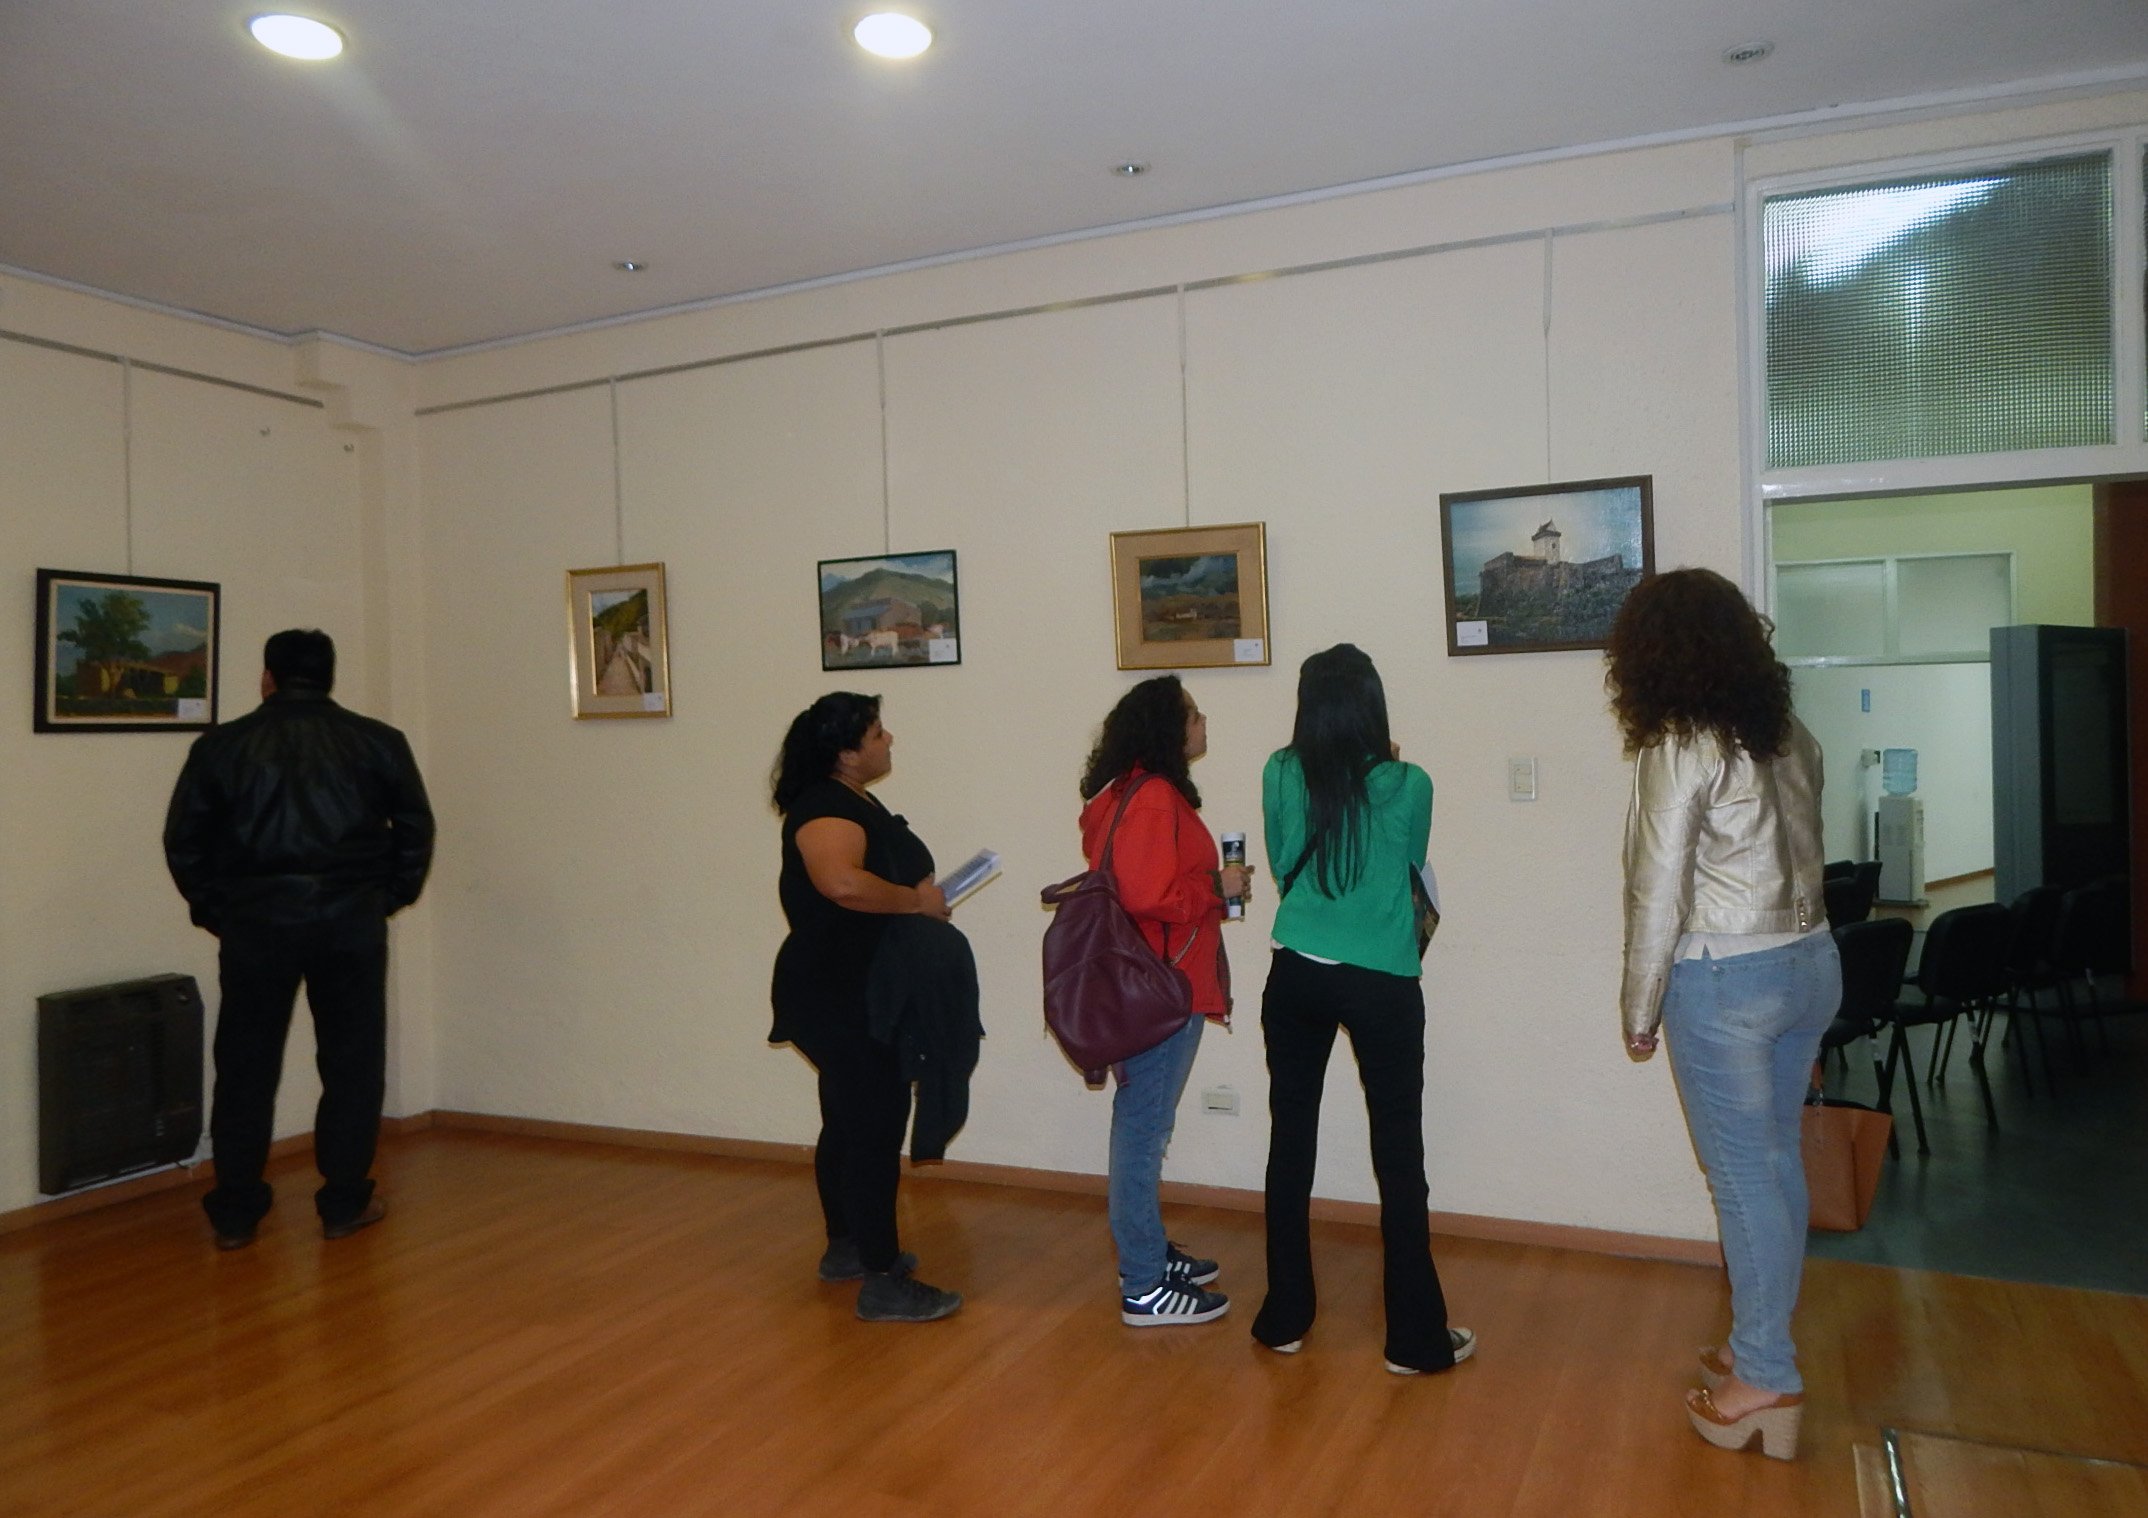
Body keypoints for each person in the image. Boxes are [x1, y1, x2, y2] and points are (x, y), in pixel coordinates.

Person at [1608, 568, 1838, 1463]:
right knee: (1774, 1167)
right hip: (1810, 962)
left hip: (1728, 978)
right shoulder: (1790, 735)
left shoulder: (1680, 744)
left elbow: (1654, 892)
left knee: (1743, 1179)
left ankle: (1765, 1378)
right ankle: (1757, 1348)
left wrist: (1639, 1006)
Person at [163, 629, 434, 1250]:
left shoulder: (222, 746)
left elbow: (184, 842)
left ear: (268, 676)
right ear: (329, 677)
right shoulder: (377, 742)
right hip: (350, 924)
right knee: (351, 1065)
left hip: (257, 925)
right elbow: (416, 830)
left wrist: (218, 910)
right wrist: (386, 897)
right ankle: (343, 1203)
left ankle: (235, 1213)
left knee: (244, 1069)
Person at [1253, 644, 1472, 1375]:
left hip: (1297, 972)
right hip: (1381, 980)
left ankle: (1284, 1317)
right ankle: (1414, 1340)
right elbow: (1409, 859)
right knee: (1399, 1155)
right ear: (1373, 705)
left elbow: (1285, 864)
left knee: (1291, 1144)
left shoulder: (1281, 771)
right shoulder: (1411, 783)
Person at [770, 692, 963, 1323]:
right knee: (874, 1127)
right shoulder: (825, 806)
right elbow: (842, 883)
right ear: (846, 752)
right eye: (877, 734)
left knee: (849, 1121)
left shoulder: (853, 799)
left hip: (858, 989)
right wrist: (916, 902)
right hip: (841, 993)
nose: (889, 741)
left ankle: (847, 1249)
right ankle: (882, 1279)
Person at [1076, 676, 1242, 1326]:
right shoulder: (1152, 798)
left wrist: (1207, 885)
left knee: (1143, 1124)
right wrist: (1213, 888)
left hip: (1151, 981)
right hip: (1162, 986)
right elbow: (1147, 895)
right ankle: (1144, 1285)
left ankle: (1149, 1252)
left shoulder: (1126, 793)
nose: (1203, 724)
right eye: (1194, 716)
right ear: (1168, 730)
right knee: (1143, 1129)